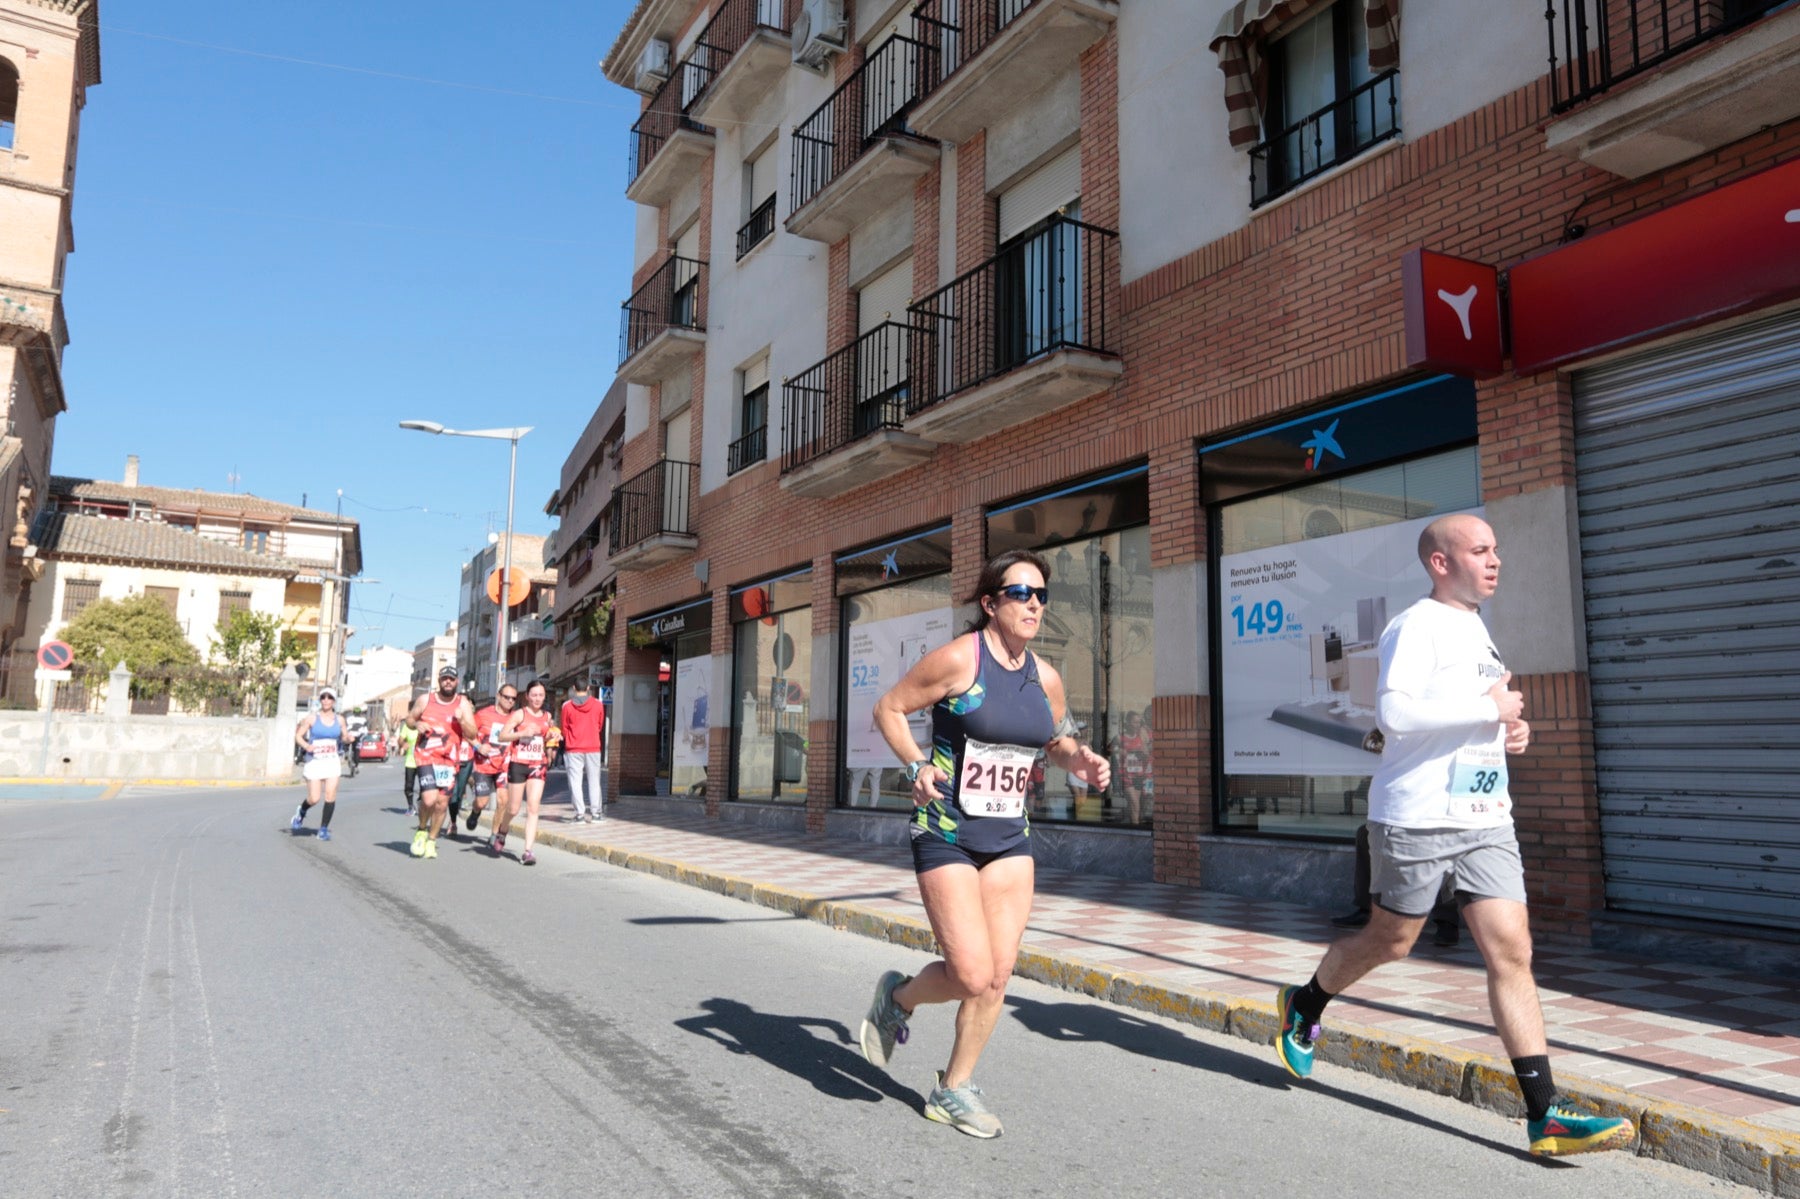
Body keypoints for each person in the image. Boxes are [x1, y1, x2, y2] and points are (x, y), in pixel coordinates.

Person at [1273, 513, 1633, 1157]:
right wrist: (1486, 711)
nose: (1495, 560)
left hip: (1486, 817)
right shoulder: (1416, 625)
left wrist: (1505, 734)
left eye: (1497, 549)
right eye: (1480, 550)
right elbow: (1395, 711)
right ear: (1441, 563)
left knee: (1512, 952)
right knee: (1393, 940)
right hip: (1417, 816)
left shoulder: (1477, 630)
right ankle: (1304, 1003)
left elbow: (1470, 717)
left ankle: (1544, 1112)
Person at [861, 550, 1111, 1138]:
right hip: (946, 830)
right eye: (1021, 592)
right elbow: (889, 708)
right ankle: (898, 998)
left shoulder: (1044, 677)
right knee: (970, 973)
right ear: (990, 602)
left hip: (1008, 837)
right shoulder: (958, 659)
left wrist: (1085, 761)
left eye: (1042, 595)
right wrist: (917, 763)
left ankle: (953, 1088)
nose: (1034, 604)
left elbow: (1058, 741)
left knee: (998, 975)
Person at [1332, 822, 1460, 947]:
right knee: (1366, 833)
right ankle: (1367, 908)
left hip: (1440, 821)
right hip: (1405, 818)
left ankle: (1447, 921)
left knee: (1438, 842)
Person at [404, 665, 478, 860]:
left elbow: (472, 734)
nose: (448, 682)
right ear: (439, 680)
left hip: (449, 760)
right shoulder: (425, 700)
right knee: (428, 799)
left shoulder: (462, 704)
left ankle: (432, 840)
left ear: (457, 682)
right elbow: (409, 719)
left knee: (441, 804)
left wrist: (462, 721)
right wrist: (417, 724)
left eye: (451, 679)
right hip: (426, 755)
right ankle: (421, 830)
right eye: (444, 678)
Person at [496, 678, 561, 866]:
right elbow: (502, 736)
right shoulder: (519, 714)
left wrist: (553, 736)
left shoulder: (547, 717)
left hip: (537, 764)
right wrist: (521, 734)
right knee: (514, 808)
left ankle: (528, 851)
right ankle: (503, 830)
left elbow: (548, 735)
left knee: (533, 807)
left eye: (541, 695)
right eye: (534, 695)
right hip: (518, 764)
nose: (537, 698)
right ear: (527, 696)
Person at [290, 687, 352, 840]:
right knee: (314, 798)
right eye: (323, 697)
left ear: (333, 701)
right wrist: (306, 746)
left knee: (330, 794)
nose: (326, 700)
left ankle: (323, 829)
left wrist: (348, 739)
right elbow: (298, 736)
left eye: (329, 697)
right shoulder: (312, 718)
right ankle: (302, 811)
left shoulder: (340, 720)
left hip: (331, 760)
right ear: (320, 700)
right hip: (315, 761)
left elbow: (344, 737)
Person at [462, 684, 516, 836]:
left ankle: (494, 835)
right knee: (482, 802)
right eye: (507, 697)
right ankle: (475, 812)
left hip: (504, 766)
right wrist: (478, 746)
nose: (510, 701)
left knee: (503, 801)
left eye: (513, 698)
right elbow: (467, 733)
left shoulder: (515, 718)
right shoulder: (483, 714)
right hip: (483, 766)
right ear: (498, 696)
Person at [559, 678, 607, 823]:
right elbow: (599, 725)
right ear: (588, 688)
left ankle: (579, 814)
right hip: (593, 746)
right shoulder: (598, 705)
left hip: (573, 748)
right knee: (594, 780)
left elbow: (564, 727)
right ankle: (596, 813)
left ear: (574, 688)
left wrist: (570, 739)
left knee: (575, 781)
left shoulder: (567, 706)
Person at [1110, 708, 1152, 825]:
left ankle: (1128, 823)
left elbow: (1149, 751)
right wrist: (1118, 751)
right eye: (1134, 722)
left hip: (1139, 775)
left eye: (1139, 722)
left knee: (1137, 804)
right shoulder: (1120, 738)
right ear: (1128, 723)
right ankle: (1136, 830)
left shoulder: (1142, 737)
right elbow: (1109, 749)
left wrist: (1145, 752)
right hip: (1126, 776)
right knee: (1135, 804)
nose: (1137, 725)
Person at [444, 728, 476, 840]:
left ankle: (453, 819)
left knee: (459, 793)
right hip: (452, 760)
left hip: (466, 761)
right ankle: (453, 823)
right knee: (453, 792)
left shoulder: (473, 721)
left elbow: (477, 738)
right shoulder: (452, 720)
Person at [397, 720, 420, 815]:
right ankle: (411, 806)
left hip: (423, 761)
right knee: (408, 787)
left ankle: (422, 804)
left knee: (425, 787)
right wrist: (402, 744)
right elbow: (400, 740)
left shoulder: (424, 725)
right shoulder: (407, 726)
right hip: (410, 762)